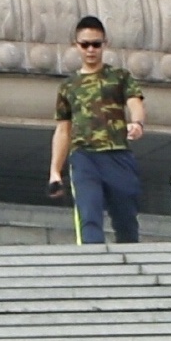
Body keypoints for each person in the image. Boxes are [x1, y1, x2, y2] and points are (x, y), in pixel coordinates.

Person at [51, 14, 144, 246]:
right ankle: (92, 265)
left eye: (96, 44)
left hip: (117, 154)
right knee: (88, 214)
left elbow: (135, 102)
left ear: (105, 44)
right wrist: (55, 170)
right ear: (76, 46)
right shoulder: (69, 86)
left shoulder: (119, 77)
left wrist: (137, 122)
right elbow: (63, 129)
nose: (91, 50)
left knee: (126, 220)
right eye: (85, 44)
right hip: (84, 157)